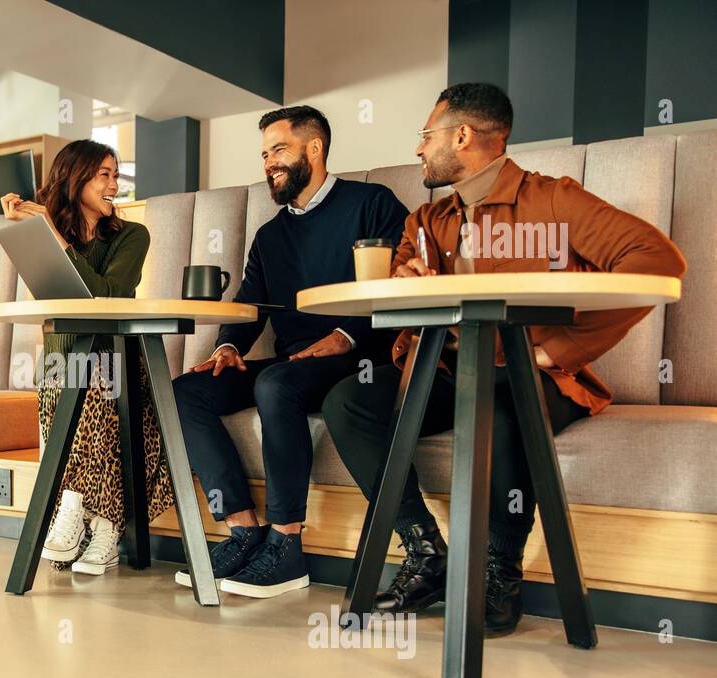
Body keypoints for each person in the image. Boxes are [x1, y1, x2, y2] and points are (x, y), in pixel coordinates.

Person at [321, 82, 686, 634]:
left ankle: (499, 570)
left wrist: (555, 349)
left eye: (426, 136)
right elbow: (395, 294)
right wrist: (406, 285)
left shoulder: (553, 199)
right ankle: (426, 553)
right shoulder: (425, 221)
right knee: (349, 402)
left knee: (497, 404)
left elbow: (656, 260)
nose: (419, 149)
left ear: (462, 135)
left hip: (531, 378)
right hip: (446, 373)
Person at [171, 106, 409, 598]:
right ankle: (243, 527)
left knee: (274, 382)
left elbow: (403, 286)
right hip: (296, 360)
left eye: (279, 150)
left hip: (362, 356)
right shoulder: (270, 235)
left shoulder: (372, 203)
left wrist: (348, 336)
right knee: (186, 390)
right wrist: (230, 347)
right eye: (263, 155)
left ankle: (287, 545)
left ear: (314, 149)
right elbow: (251, 303)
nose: (268, 164)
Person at [0, 139, 171, 576]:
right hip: (62, 362)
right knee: (72, 372)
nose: (115, 185)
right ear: (75, 180)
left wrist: (52, 237)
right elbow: (51, 295)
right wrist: (29, 235)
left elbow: (108, 294)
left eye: (117, 175)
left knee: (94, 376)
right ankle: (106, 525)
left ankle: (77, 506)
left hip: (120, 362)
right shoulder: (49, 230)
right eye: (104, 175)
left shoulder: (133, 235)